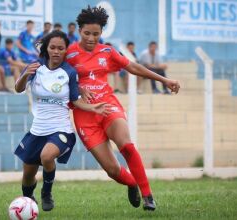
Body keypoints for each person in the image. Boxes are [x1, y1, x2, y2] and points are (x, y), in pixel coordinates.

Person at [66, 6, 180, 211]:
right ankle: (131, 183)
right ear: (79, 30)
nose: (91, 38)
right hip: (85, 116)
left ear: (102, 33)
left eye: (96, 34)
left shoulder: (107, 51)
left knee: (126, 145)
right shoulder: (69, 53)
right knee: (111, 169)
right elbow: (58, 77)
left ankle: (148, 196)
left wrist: (164, 80)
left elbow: (134, 67)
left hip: (108, 106)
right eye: (87, 33)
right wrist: (78, 87)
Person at [14, 30, 111, 211]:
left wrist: (92, 107)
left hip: (61, 129)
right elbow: (18, 89)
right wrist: (26, 74)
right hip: (37, 130)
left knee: (47, 156)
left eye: (61, 48)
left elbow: (75, 100)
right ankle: (27, 203)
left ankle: (46, 193)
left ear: (66, 50)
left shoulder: (69, 72)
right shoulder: (35, 67)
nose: (56, 51)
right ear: (46, 48)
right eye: (53, 47)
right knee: (28, 175)